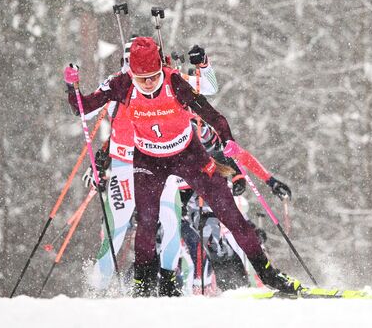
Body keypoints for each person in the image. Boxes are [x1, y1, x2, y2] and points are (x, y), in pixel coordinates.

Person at [65, 36, 302, 296]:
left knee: (230, 214)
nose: (149, 83)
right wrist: (71, 85)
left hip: (188, 154)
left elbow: (213, 115)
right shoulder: (121, 85)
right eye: (142, 78)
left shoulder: (174, 82)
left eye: (154, 76)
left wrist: (228, 141)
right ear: (131, 72)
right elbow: (82, 107)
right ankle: (143, 286)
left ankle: (269, 274)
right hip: (148, 159)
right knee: (147, 221)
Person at [85, 42, 220, 294]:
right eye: (129, 61)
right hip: (125, 163)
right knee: (118, 227)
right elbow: (88, 112)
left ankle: (167, 285)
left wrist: (203, 65)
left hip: (159, 160)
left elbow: (210, 86)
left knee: (171, 221)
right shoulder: (118, 83)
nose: (134, 68)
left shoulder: (168, 80)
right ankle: (97, 290)